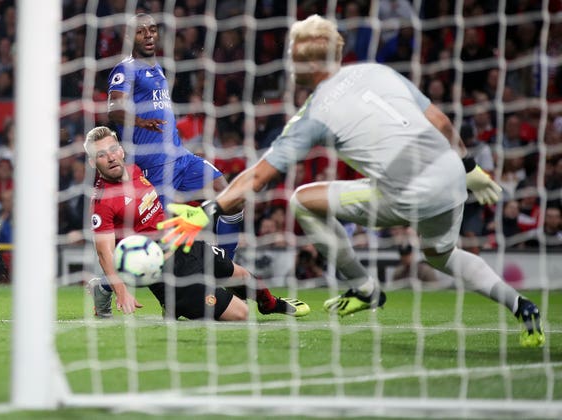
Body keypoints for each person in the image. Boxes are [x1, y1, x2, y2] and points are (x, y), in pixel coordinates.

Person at [157, 15, 545, 347]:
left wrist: (207, 212)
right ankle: (520, 305)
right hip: (451, 179)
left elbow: (258, 176)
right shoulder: (378, 71)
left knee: (301, 200)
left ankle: (363, 286)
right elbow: (441, 122)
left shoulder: (315, 113)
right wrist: (471, 169)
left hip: (408, 193)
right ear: (339, 51)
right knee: (442, 254)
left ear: (296, 64)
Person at [84, 126, 309, 320]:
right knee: (241, 314)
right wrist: (122, 292)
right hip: (166, 274)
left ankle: (270, 305)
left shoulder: (134, 170)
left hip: (184, 244)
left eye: (113, 149)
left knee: (243, 277)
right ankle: (174, 304)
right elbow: (105, 253)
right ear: (94, 162)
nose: (111, 157)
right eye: (102, 154)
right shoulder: (103, 201)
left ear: (121, 150)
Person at [106, 13, 243, 258]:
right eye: (140, 31)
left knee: (231, 197)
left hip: (182, 158)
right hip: (154, 166)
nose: (148, 35)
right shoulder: (126, 68)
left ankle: (225, 266)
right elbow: (115, 109)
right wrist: (140, 122)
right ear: (129, 36)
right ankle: (105, 285)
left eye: (152, 29)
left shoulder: (158, 68)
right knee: (154, 244)